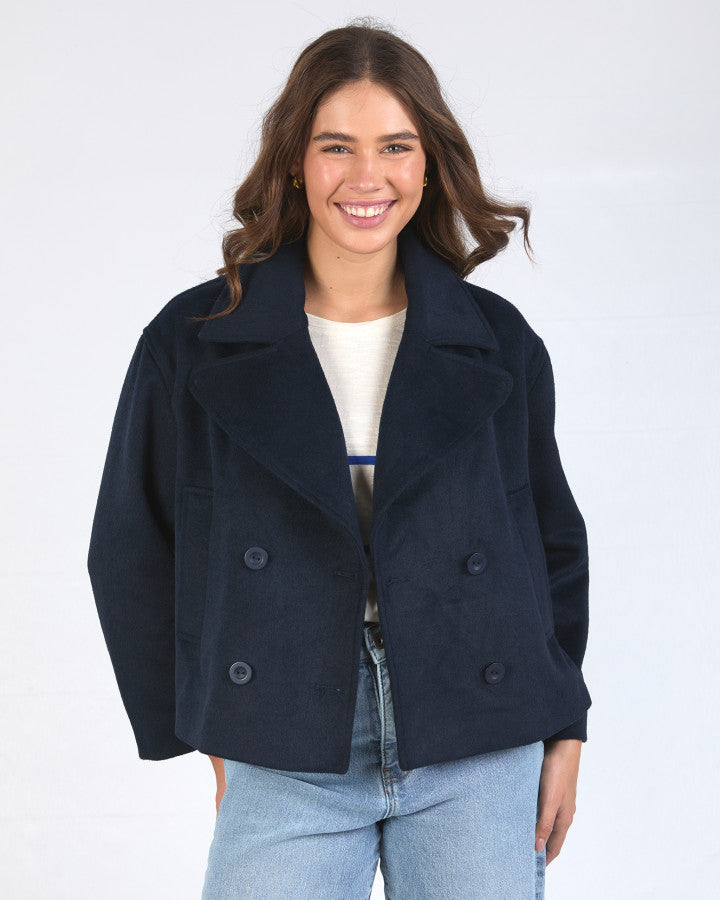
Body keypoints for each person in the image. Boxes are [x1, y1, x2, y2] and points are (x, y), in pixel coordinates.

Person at [87, 18, 591, 899]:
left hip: (478, 729)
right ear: (294, 161)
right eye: (336, 147)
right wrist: (209, 726)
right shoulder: (194, 341)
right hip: (286, 732)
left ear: (428, 164)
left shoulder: (498, 341)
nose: (368, 177)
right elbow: (132, 545)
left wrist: (565, 726)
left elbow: (549, 543)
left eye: (395, 146)